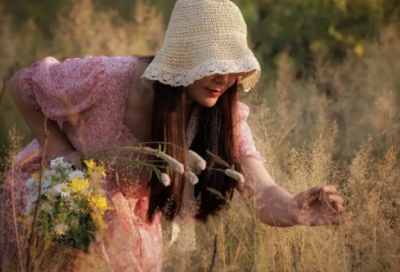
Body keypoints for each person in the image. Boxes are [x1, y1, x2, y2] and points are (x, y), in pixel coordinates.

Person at [1, 0, 344, 271]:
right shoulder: (110, 79)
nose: (225, 78)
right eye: (213, 63)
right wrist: (61, 152)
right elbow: (22, 84)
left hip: (125, 227)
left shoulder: (224, 119)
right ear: (183, 58)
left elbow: (262, 191)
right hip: (56, 197)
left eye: (232, 65)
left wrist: (293, 208)